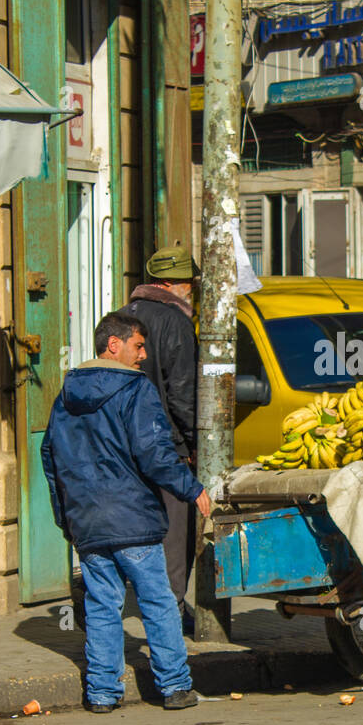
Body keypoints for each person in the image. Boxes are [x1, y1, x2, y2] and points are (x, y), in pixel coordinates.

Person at [41, 311, 212, 712]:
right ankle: (174, 687)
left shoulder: (65, 394)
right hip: (133, 518)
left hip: (89, 521)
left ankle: (102, 693)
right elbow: (154, 454)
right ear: (113, 344)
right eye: (138, 346)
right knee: (158, 602)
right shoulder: (136, 390)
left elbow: (50, 459)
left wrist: (65, 518)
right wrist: (192, 489)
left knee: (102, 605)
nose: (143, 355)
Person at [124, 244, 200, 630]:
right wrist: (193, 443)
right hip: (167, 445)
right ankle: (170, 609)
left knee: (134, 526)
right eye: (189, 282)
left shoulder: (120, 317)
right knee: (174, 531)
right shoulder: (175, 322)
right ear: (170, 283)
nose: (192, 289)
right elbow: (183, 391)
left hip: (123, 445)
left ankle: (135, 600)